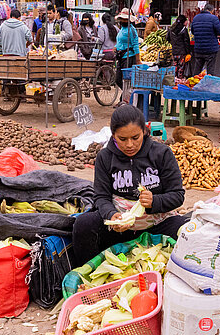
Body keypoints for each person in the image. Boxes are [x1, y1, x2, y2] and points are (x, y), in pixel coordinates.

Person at [71, 105, 188, 265]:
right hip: (120, 227)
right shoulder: (105, 157)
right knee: (84, 224)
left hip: (156, 223)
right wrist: (112, 215)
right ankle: (86, 275)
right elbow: (101, 197)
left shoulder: (162, 154)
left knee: (185, 230)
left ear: (145, 131)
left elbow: (177, 195)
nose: (130, 145)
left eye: (135, 137)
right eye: (122, 139)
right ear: (113, 135)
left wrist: (155, 201)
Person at [115, 8, 140, 105]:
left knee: (127, 81)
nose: (123, 21)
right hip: (121, 57)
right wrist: (116, 47)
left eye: (125, 19)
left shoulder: (132, 30)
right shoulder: (122, 29)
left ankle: (124, 100)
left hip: (129, 57)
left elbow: (135, 45)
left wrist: (138, 60)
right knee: (118, 79)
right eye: (122, 19)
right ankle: (125, 97)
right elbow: (120, 42)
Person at [190, 3, 220, 75]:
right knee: (210, 70)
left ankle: (194, 84)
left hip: (198, 48)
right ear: (211, 10)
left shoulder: (196, 18)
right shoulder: (213, 18)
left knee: (197, 69)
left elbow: (193, 31)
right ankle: (209, 85)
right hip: (211, 49)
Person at [167, 15, 191, 80]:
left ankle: (174, 80)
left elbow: (167, 39)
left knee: (175, 67)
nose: (187, 22)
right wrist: (188, 52)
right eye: (186, 21)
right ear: (184, 21)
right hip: (182, 53)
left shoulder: (171, 29)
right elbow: (186, 42)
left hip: (174, 52)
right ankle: (179, 81)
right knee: (181, 68)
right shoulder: (184, 30)